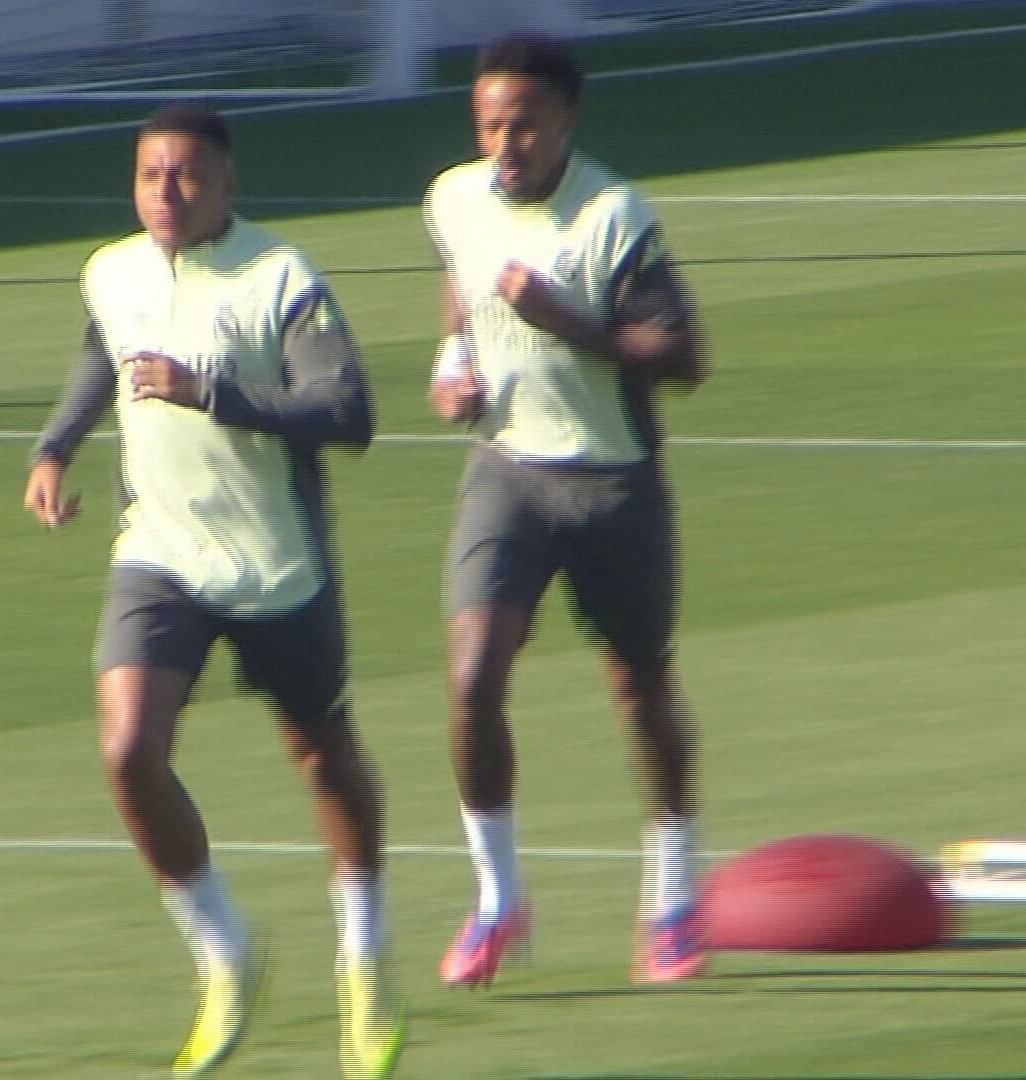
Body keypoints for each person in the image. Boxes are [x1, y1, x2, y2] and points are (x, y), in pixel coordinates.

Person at [22, 103, 404, 1079]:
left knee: (322, 754)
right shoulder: (111, 271)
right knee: (126, 749)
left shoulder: (281, 279)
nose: (166, 192)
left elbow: (349, 413)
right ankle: (224, 953)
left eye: (187, 176)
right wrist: (56, 445)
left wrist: (214, 394)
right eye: (151, 175)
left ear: (228, 185)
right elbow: (100, 352)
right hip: (158, 556)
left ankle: (363, 953)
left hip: (275, 563)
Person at [421, 33, 713, 988]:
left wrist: (568, 325)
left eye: (526, 125)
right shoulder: (453, 197)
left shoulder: (613, 214)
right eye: (491, 125)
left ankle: (672, 897)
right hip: (507, 473)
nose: (507, 144)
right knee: (471, 681)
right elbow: (461, 283)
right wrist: (452, 364)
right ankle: (499, 902)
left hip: (613, 482)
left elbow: (684, 359)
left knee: (640, 689)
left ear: (566, 121)